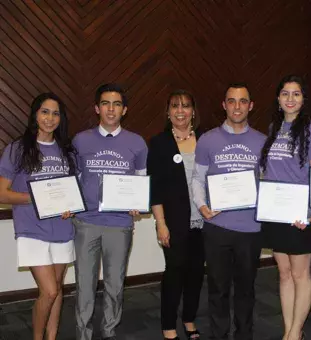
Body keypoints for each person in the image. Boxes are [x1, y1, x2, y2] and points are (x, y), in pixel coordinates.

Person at [72, 83, 148, 340]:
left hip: (119, 224)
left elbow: (140, 179)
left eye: (116, 104)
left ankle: (109, 331)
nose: (111, 109)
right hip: (86, 223)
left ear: (124, 110)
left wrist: (138, 202)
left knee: (115, 285)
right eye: (105, 103)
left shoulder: (137, 143)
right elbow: (74, 180)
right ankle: (83, 333)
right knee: (84, 285)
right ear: (97, 108)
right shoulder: (80, 141)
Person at [0, 93, 77, 340]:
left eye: (55, 113)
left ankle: (51, 337)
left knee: (58, 290)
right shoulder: (18, 149)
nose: (50, 118)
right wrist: (36, 198)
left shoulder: (67, 150)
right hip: (31, 230)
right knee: (49, 291)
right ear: (35, 114)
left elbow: (71, 191)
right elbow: (2, 193)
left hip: (62, 228)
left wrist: (70, 206)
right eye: (45, 112)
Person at [192, 83, 266, 340]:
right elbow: (197, 179)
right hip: (217, 227)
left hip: (250, 229)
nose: (237, 106)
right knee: (218, 289)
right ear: (224, 105)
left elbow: (267, 181)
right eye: (232, 101)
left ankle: (244, 335)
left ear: (250, 105)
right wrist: (202, 206)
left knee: (246, 289)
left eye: (243, 101)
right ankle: (219, 335)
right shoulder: (207, 140)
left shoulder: (262, 142)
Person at [260, 75, 311, 340]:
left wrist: (310, 212)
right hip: (275, 211)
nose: (290, 99)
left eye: (296, 94)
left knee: (300, 274)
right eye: (285, 93)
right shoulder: (274, 127)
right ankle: (291, 331)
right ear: (278, 98)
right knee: (284, 273)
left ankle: (295, 332)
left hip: (299, 213)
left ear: (304, 99)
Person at [147, 90, 205, 340]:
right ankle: (168, 324)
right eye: (175, 106)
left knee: (196, 272)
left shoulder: (206, 140)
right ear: (168, 112)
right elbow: (155, 188)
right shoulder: (159, 143)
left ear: (193, 111)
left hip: (205, 220)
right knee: (175, 270)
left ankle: (189, 318)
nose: (180, 111)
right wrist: (160, 223)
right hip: (174, 221)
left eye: (186, 106)